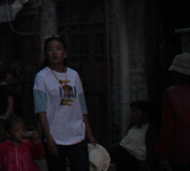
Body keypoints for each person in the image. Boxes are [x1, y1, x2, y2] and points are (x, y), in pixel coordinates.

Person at [33, 35, 97, 171]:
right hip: (56, 136)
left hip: (76, 133)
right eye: (50, 50)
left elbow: (82, 107)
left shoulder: (74, 75)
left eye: (58, 49)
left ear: (65, 53)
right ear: (46, 54)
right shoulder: (42, 77)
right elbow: (41, 111)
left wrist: (89, 134)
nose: (55, 52)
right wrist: (48, 138)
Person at [110, 100, 156, 171]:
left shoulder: (150, 132)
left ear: (145, 114)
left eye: (136, 112)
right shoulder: (132, 129)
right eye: (132, 112)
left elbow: (145, 155)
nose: (133, 115)